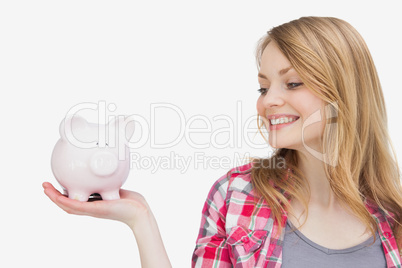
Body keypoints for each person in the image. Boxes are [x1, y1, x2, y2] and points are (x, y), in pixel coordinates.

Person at [43, 16, 402, 267]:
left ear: (345, 93)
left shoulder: (394, 216)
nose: (268, 101)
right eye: (263, 87)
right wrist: (140, 219)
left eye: (292, 83)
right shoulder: (237, 195)